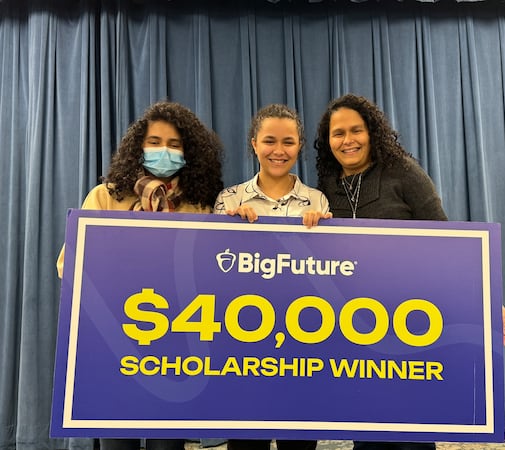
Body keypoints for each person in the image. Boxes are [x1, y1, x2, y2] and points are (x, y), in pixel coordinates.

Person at [314, 93, 505, 450]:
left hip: (412, 325)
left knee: (413, 432)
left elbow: (447, 240)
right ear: (327, 141)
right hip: (358, 329)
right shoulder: (324, 188)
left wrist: (485, 299)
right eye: (338, 133)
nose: (348, 140)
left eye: (356, 130)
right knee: (369, 432)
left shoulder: (403, 172)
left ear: (372, 132)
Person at [56, 101, 224, 450]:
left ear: (188, 152)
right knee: (118, 441)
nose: (164, 150)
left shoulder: (200, 204)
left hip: (177, 347)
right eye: (155, 141)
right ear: (138, 147)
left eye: (175, 145)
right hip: (115, 342)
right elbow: (69, 265)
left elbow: (213, 269)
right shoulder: (106, 196)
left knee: (168, 445)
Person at [214, 103, 331, 450]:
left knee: (299, 442)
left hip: (303, 340)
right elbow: (214, 271)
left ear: (299, 146)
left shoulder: (318, 200)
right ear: (253, 144)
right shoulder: (229, 199)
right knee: (247, 441)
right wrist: (228, 228)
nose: (278, 151)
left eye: (288, 142)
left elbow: (335, 273)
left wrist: (326, 231)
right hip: (244, 342)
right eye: (269, 141)